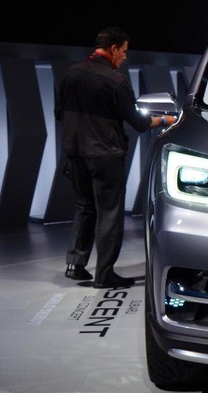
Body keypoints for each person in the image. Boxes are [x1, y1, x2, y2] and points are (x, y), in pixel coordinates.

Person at [55, 27, 176, 289]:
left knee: (85, 206)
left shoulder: (70, 74)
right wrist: (167, 119)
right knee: (109, 213)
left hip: (74, 152)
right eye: (123, 51)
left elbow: (59, 113)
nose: (124, 57)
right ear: (113, 49)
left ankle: (75, 265)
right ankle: (104, 274)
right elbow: (139, 122)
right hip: (105, 155)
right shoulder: (116, 81)